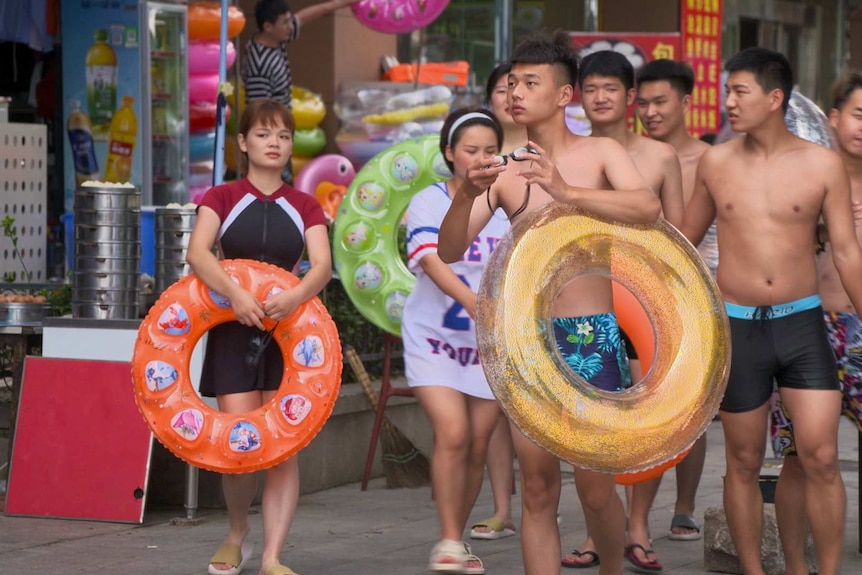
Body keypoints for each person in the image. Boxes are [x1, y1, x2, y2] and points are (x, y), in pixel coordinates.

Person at [438, 30, 661, 575]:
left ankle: (611, 566)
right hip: (526, 341)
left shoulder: (600, 152)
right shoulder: (507, 169)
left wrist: (566, 191)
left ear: (564, 95)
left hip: (593, 335)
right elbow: (449, 248)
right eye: (512, 82)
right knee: (536, 486)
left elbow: (647, 208)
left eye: (530, 83)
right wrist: (466, 193)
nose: (515, 92)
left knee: (595, 489)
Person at [680, 48, 862, 575]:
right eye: (727, 91)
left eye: (740, 92)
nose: (728, 102)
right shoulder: (716, 162)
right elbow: (684, 244)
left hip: (802, 324)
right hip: (738, 328)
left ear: (774, 98)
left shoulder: (821, 164)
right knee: (741, 462)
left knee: (821, 457)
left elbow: (846, 251)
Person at [186, 99, 332, 575]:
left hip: (289, 336)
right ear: (243, 143)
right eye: (265, 134)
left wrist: (296, 297)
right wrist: (234, 296)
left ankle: (272, 556)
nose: (275, 143)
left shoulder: (305, 204)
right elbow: (198, 253)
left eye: (284, 136)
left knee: (282, 446)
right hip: (232, 331)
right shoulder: (222, 197)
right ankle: (236, 532)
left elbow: (323, 267)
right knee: (241, 443)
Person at [559, 49, 684, 572]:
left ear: (630, 97)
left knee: (645, 420)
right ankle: (599, 532)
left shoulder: (658, 157)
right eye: (592, 89)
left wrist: (677, 307)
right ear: (577, 96)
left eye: (611, 89)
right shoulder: (568, 157)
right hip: (588, 302)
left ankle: (637, 525)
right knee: (593, 433)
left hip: (646, 301)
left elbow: (677, 235)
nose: (601, 98)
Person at [403, 107, 511, 573]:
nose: (482, 158)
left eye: (491, 150)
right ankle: (447, 540)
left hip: (489, 342)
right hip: (434, 336)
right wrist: (473, 301)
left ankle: (458, 536)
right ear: (450, 153)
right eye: (471, 150)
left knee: (479, 441)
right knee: (453, 431)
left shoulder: (510, 202)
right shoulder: (427, 201)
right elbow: (430, 258)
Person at [766, 71, 862, 575]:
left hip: (861, 330)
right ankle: (795, 568)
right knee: (801, 457)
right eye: (859, 113)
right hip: (805, 326)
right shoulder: (803, 174)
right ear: (834, 118)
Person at [635, 58, 714, 542]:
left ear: (686, 103)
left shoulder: (712, 160)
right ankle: (638, 516)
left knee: (694, 409)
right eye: (641, 102)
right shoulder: (634, 157)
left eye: (660, 101)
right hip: (642, 294)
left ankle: (684, 505)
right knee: (651, 406)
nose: (649, 111)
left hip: (705, 291)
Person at [463, 63, 528, 543]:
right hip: (478, 300)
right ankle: (503, 508)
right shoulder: (479, 160)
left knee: (531, 410)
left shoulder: (542, 159)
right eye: (503, 89)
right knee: (492, 406)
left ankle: (540, 498)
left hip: (532, 301)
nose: (512, 96)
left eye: (522, 87)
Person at [243, 0, 358, 108]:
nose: (291, 26)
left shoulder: (275, 38)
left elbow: (306, 16)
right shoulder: (259, 64)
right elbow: (258, 110)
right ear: (268, 26)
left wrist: (345, 2)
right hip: (272, 125)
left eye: (290, 20)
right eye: (285, 22)